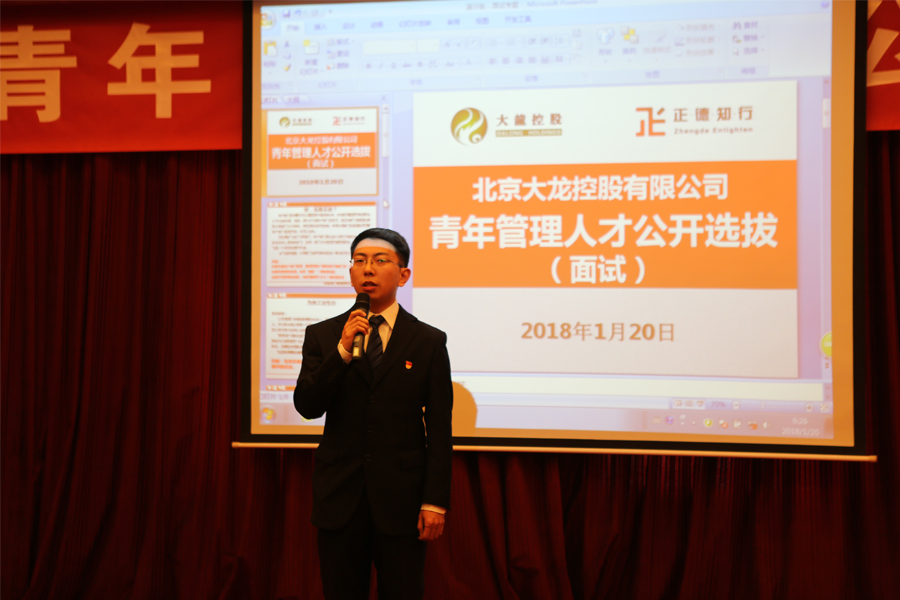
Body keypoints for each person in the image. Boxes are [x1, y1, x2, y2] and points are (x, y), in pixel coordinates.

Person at [294, 228, 453, 600]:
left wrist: (434, 501)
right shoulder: (323, 335)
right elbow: (307, 406)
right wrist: (342, 352)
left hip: (402, 500)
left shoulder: (428, 340)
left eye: (381, 261)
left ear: (403, 274)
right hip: (340, 499)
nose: (368, 269)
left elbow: (439, 427)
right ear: (351, 272)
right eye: (360, 261)